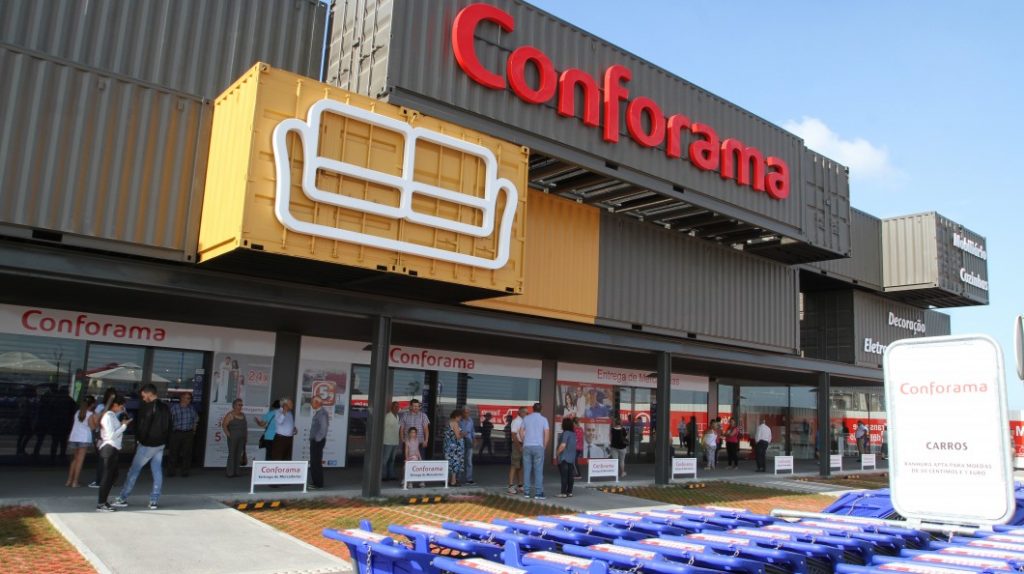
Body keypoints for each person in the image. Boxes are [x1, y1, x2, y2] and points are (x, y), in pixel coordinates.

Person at [113, 383, 171, 510]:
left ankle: (123, 497)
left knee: (134, 471)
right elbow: (169, 425)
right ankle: (154, 500)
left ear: (149, 393)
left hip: (147, 444)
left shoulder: (148, 407)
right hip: (160, 443)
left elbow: (144, 426)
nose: (143, 398)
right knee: (157, 471)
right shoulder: (165, 407)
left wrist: (140, 439)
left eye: (144, 396)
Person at [96, 395, 130, 512]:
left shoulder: (111, 416)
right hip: (109, 447)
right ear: (115, 405)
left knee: (113, 475)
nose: (122, 408)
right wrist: (124, 426)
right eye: (121, 406)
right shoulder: (108, 416)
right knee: (108, 476)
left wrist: (122, 425)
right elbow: (111, 435)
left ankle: (103, 501)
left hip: (113, 448)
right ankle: (101, 503)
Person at [88, 388, 117, 488]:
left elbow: (96, 420)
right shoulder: (117, 408)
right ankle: (111, 480)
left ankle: (100, 480)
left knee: (102, 459)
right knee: (111, 459)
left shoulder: (101, 407)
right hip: (114, 436)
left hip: (102, 435)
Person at [519, 402, 549, 500]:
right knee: (538, 471)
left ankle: (526, 492)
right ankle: (538, 493)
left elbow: (520, 431)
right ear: (541, 409)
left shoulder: (526, 418)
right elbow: (546, 434)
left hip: (527, 446)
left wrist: (524, 441)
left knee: (527, 470)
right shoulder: (544, 419)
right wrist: (544, 446)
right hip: (538, 446)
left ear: (532, 409)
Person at [66, 395, 96, 487]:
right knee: (80, 461)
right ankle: (75, 482)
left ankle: (69, 481)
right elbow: (92, 427)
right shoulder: (90, 414)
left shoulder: (77, 412)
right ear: (92, 405)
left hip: (74, 437)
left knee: (74, 460)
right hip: (84, 438)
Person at [167, 392, 198, 477]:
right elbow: (169, 420)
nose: (188, 400)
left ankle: (185, 471)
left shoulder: (191, 408)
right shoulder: (174, 408)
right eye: (187, 398)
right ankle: (171, 471)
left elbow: (195, 419)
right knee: (173, 452)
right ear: (182, 398)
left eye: (189, 398)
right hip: (176, 433)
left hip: (188, 433)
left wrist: (193, 431)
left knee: (187, 453)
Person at [221, 398, 247, 478]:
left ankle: (237, 472)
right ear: (234, 405)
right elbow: (224, 425)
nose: (241, 406)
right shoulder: (230, 415)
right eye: (239, 405)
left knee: (239, 454)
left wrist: (246, 437)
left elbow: (245, 427)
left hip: (242, 438)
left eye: (241, 405)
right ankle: (230, 472)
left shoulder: (243, 415)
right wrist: (229, 435)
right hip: (233, 438)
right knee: (232, 454)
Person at [308, 396, 329, 489]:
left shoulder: (322, 413)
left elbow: (324, 428)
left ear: (317, 403)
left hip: (317, 442)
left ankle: (318, 484)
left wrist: (317, 439)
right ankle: (315, 482)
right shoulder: (319, 412)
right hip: (316, 441)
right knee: (314, 462)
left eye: (312, 402)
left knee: (316, 462)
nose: (311, 404)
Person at [555, 417, 577, 498]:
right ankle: (569, 492)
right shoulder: (573, 434)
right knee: (570, 476)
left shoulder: (565, 433)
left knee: (564, 476)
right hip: (571, 458)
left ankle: (563, 493)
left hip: (564, 458)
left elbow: (563, 445)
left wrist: (557, 453)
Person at [507, 406, 526, 494]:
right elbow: (514, 435)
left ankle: (520, 485)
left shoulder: (524, 421)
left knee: (520, 466)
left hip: (523, 445)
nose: (527, 414)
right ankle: (510, 486)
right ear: (520, 413)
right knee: (514, 465)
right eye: (525, 412)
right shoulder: (516, 421)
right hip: (517, 445)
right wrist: (519, 447)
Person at [444, 410, 465, 486]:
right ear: (457, 416)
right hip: (455, 448)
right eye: (460, 417)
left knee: (449, 464)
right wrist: (463, 434)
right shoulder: (455, 423)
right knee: (455, 464)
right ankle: (453, 481)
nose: (460, 419)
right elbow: (458, 436)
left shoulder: (448, 422)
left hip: (448, 446)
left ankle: (449, 480)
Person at [382, 401, 401, 481]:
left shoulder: (398, 416)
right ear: (392, 407)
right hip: (387, 441)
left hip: (395, 441)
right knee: (385, 459)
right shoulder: (387, 416)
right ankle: (382, 475)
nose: (397, 408)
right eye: (395, 406)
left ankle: (391, 475)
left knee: (392, 460)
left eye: (398, 407)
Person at [458, 406, 475, 485]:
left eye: (468, 412)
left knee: (469, 461)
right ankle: (457, 478)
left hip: (469, 441)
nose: (467, 414)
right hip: (460, 441)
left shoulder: (471, 420)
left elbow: (472, 431)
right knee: (460, 460)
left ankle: (469, 479)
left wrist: (474, 439)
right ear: (462, 412)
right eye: (466, 412)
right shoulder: (459, 420)